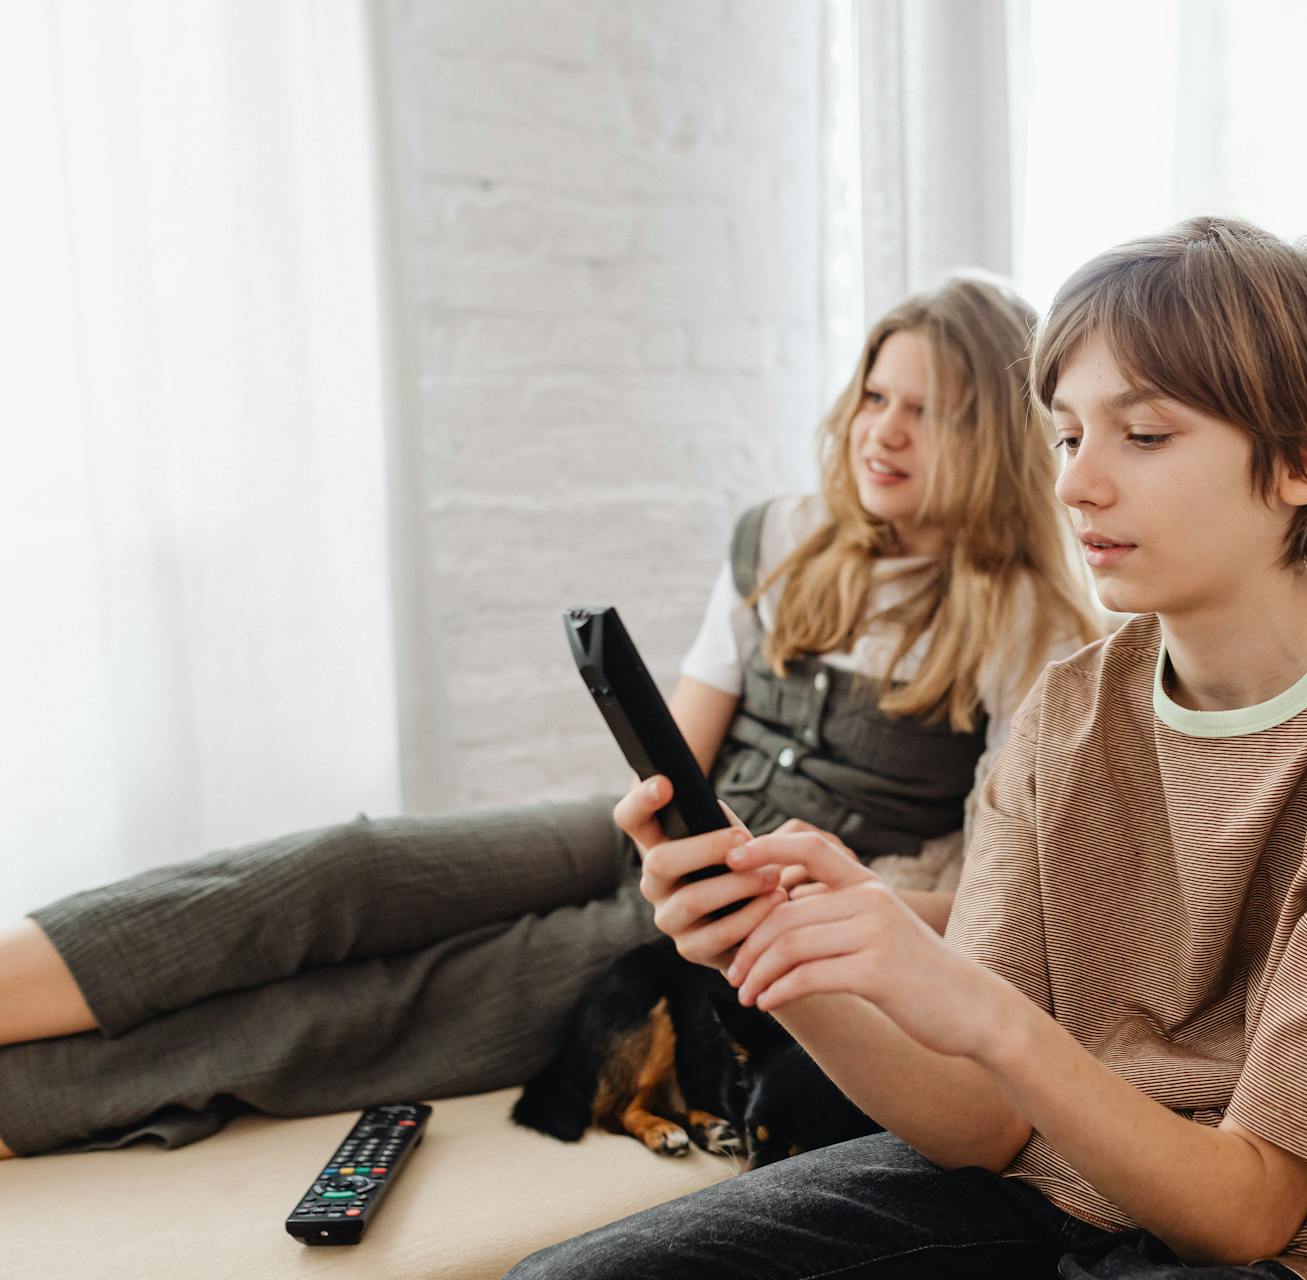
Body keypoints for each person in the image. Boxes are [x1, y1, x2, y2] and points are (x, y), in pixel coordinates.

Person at [507, 217, 1307, 1280]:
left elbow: (1246, 1209)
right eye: (1068, 436)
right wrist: (775, 950)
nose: (1074, 484)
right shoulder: (1073, 706)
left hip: (1288, 1248)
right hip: (1045, 1193)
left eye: (1142, 435)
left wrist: (989, 1013)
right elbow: (978, 1121)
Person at [0, 271, 1100, 1161]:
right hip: (663, 831)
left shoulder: (1034, 626)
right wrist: (648, 820)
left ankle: (21, 1101)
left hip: (757, 913)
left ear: (994, 433)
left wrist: (858, 900)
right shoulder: (782, 535)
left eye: (927, 411)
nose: (885, 432)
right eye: (875, 396)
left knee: (426, 995)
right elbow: (680, 740)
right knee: (355, 866)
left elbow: (1005, 893)